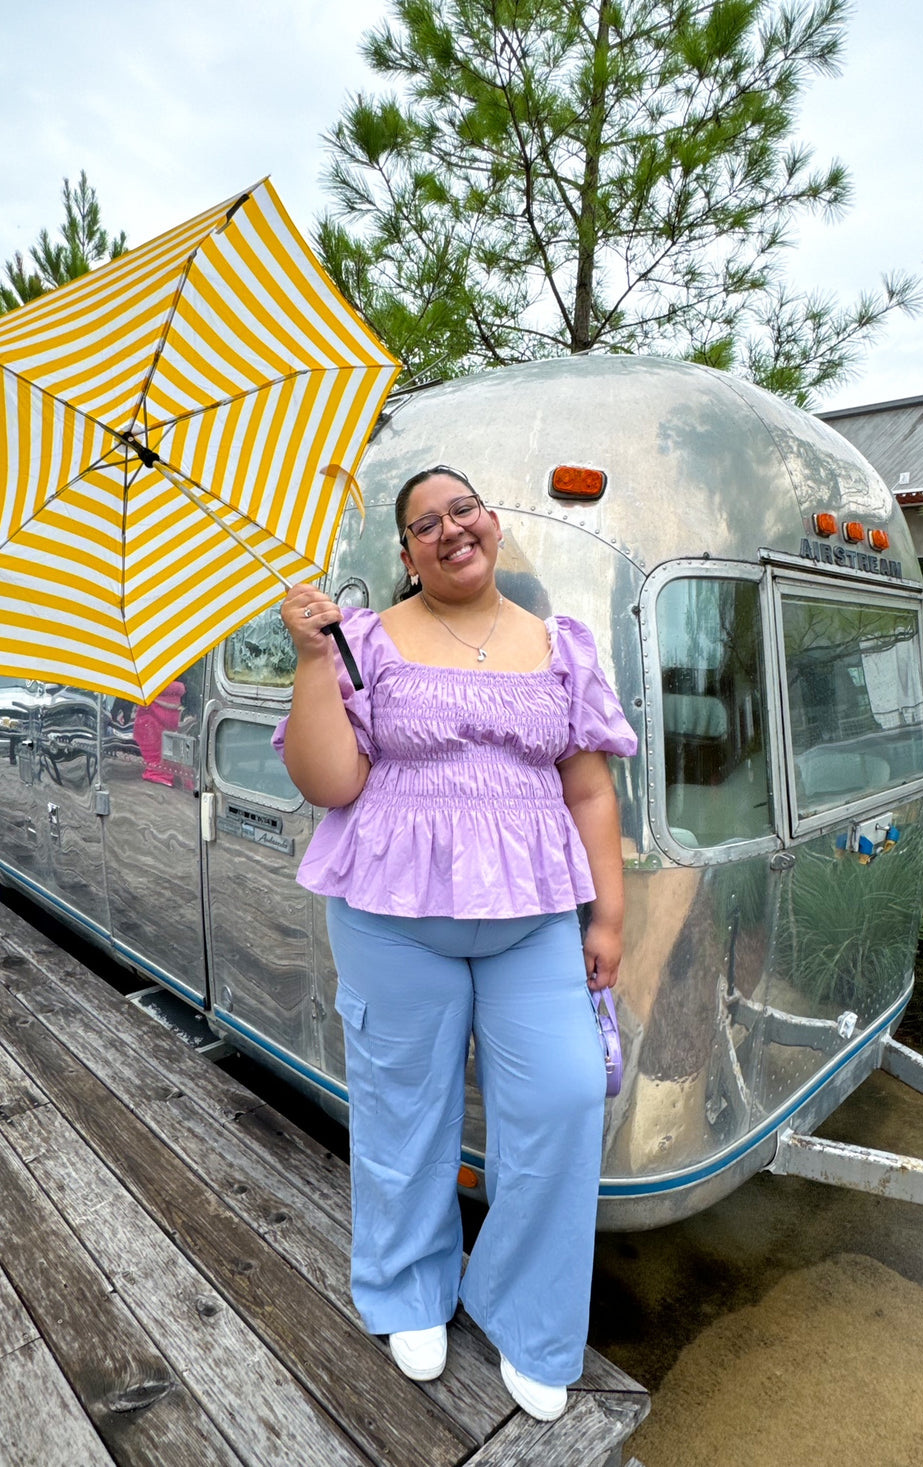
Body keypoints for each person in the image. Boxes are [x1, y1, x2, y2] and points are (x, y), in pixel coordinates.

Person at [274, 465, 637, 1421]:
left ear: (493, 523)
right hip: (394, 922)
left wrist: (607, 917)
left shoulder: (560, 644)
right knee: (401, 1110)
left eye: (462, 509)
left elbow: (589, 788)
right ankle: (408, 1289)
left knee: (564, 1097)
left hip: (533, 923)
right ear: (406, 553)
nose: (448, 529)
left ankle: (528, 1313)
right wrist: (312, 662)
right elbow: (330, 784)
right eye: (424, 523)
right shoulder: (360, 640)